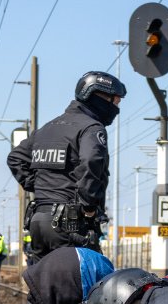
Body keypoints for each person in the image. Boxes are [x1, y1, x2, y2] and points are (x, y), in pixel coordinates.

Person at [7, 71, 125, 262]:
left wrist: (36, 185)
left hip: (39, 221)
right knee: (83, 284)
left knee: (42, 285)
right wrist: (88, 208)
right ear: (99, 97)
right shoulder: (91, 128)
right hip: (71, 225)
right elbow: (91, 161)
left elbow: (15, 158)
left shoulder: (47, 128)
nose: (116, 108)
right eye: (114, 102)